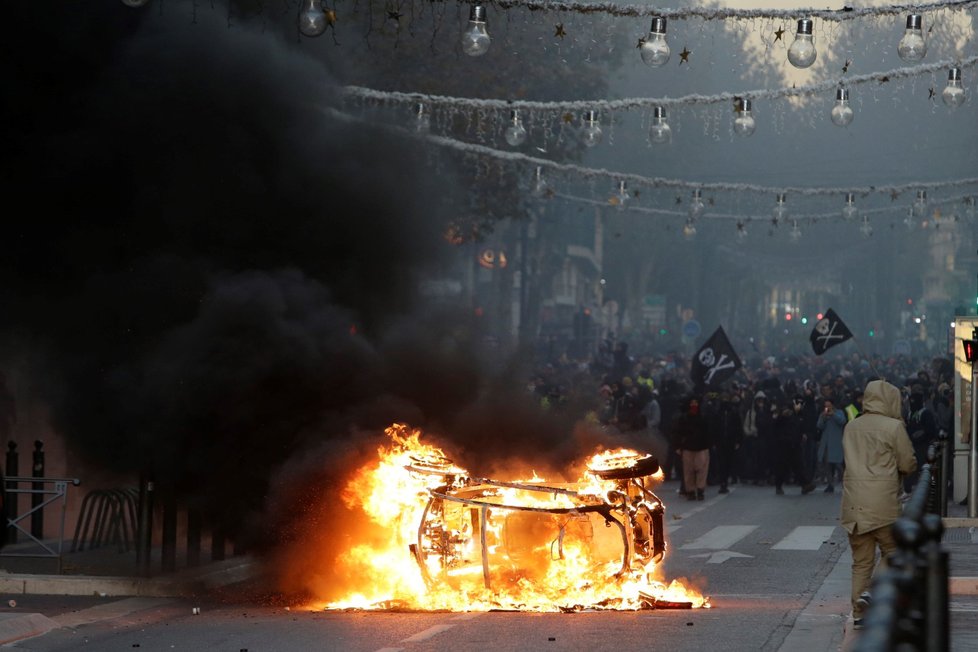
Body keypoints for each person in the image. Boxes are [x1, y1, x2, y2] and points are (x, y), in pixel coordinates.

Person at [841, 379, 917, 629]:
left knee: (861, 561)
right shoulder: (894, 427)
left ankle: (858, 610)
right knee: (893, 551)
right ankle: (872, 592)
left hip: (854, 504)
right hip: (883, 503)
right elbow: (907, 463)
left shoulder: (851, 427)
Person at [673, 395, 711, 501]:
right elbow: (678, 433)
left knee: (702, 470)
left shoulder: (703, 417)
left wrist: (709, 444)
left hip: (701, 447)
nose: (694, 405)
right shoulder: (684, 418)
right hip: (688, 447)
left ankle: (700, 490)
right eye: (692, 403)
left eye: (696, 403)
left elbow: (708, 433)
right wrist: (678, 446)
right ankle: (690, 491)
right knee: (688, 471)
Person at [816, 395, 846, 493]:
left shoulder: (839, 413)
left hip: (836, 441)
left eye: (829, 406)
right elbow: (819, 426)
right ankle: (830, 484)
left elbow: (842, 421)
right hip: (826, 442)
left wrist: (833, 415)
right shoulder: (823, 414)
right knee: (827, 465)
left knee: (838, 464)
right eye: (826, 406)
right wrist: (824, 418)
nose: (827, 408)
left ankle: (845, 483)